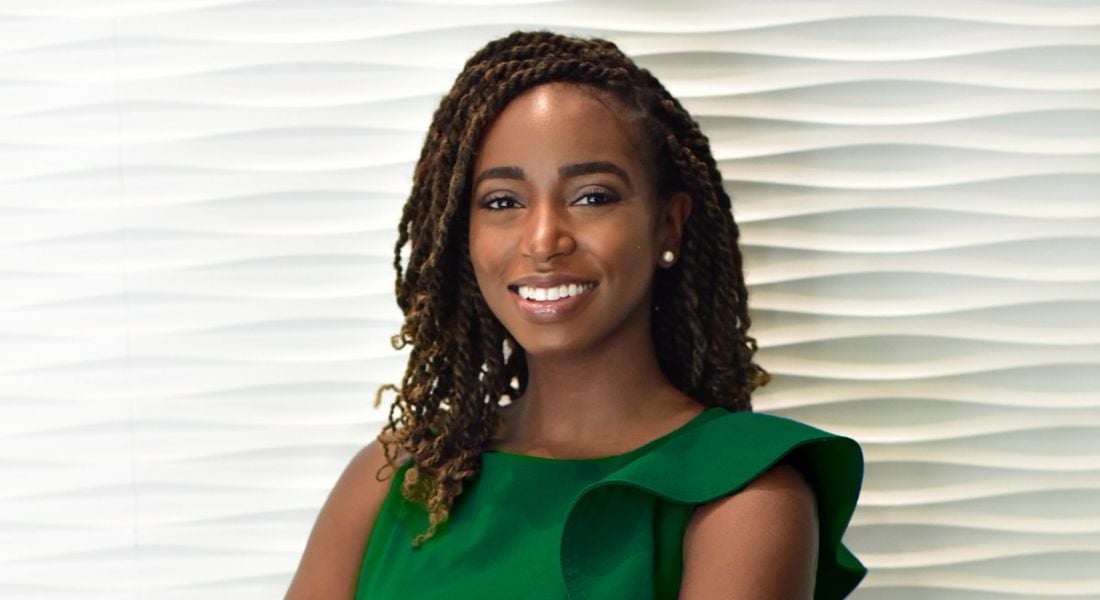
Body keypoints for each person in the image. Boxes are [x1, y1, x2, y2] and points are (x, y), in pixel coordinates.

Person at [286, 30, 866, 599]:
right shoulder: (397, 478)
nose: (542, 240)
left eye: (592, 196)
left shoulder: (746, 494)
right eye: (502, 202)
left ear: (669, 224)